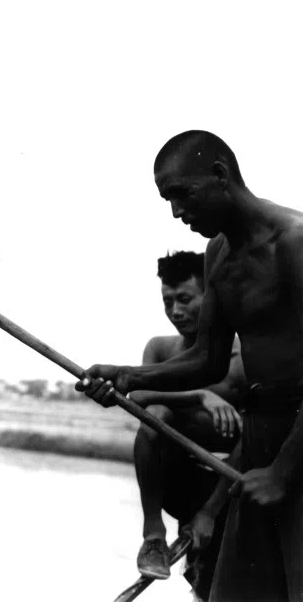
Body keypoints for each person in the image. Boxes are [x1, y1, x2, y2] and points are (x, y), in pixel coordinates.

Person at [77, 130, 303, 601]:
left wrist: (283, 471)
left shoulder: (295, 243)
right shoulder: (218, 254)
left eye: (183, 195)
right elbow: (207, 359)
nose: (178, 213)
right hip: (259, 438)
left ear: (220, 175)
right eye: (169, 201)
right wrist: (128, 376)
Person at [128, 250, 246, 598]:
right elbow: (139, 400)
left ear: (212, 298)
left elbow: (253, 437)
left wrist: (209, 512)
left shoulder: (242, 357)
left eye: (184, 299)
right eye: (168, 301)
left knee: (213, 581)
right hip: (178, 481)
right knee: (158, 416)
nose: (175, 311)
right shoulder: (161, 350)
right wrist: (199, 396)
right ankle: (153, 536)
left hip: (231, 489)